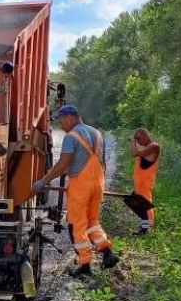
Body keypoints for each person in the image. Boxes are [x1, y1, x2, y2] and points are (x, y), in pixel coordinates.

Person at [33, 104, 120, 278]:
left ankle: (85, 265)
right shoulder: (97, 133)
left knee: (77, 225)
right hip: (98, 183)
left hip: (81, 185)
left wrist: (44, 181)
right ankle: (108, 253)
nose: (61, 126)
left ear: (71, 118)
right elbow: (97, 160)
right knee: (92, 221)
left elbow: (63, 163)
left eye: (62, 121)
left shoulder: (71, 137)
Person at [131, 126, 161, 235]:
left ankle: (148, 230)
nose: (138, 142)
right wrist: (135, 141)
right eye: (136, 139)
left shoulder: (154, 146)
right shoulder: (147, 147)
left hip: (146, 182)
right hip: (140, 183)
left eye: (138, 139)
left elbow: (134, 153)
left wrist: (133, 142)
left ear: (144, 136)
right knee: (134, 203)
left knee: (146, 206)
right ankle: (143, 229)